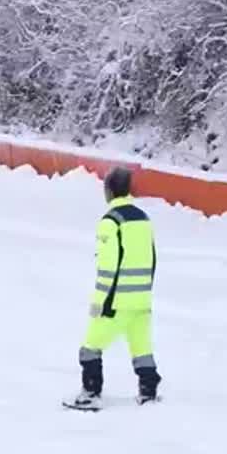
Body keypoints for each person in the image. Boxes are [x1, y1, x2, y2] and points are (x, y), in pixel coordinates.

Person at [68, 166, 162, 409]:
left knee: (90, 347)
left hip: (117, 300)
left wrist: (100, 300)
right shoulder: (143, 219)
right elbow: (152, 258)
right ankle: (148, 391)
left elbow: (108, 267)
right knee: (141, 348)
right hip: (141, 299)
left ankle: (91, 393)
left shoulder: (111, 222)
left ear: (109, 190)